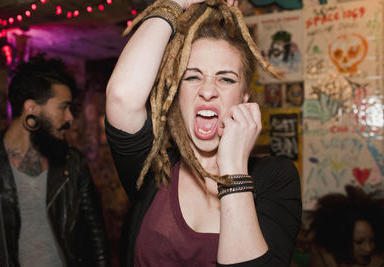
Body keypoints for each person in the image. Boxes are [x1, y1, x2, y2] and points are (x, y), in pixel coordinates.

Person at [105, 0, 302, 266]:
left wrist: (233, 169)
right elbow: (121, 97)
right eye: (192, 76)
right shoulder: (154, 166)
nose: (208, 91)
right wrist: (179, 2)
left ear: (244, 98)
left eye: (225, 79)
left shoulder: (276, 177)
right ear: (177, 92)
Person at [0, 55, 110, 267]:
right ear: (31, 108)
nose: (69, 118)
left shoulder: (73, 164)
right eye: (63, 107)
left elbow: (96, 236)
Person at [308, 185, 384, 267]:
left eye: (372, 241)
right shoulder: (321, 258)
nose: (368, 249)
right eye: (359, 242)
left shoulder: (383, 263)